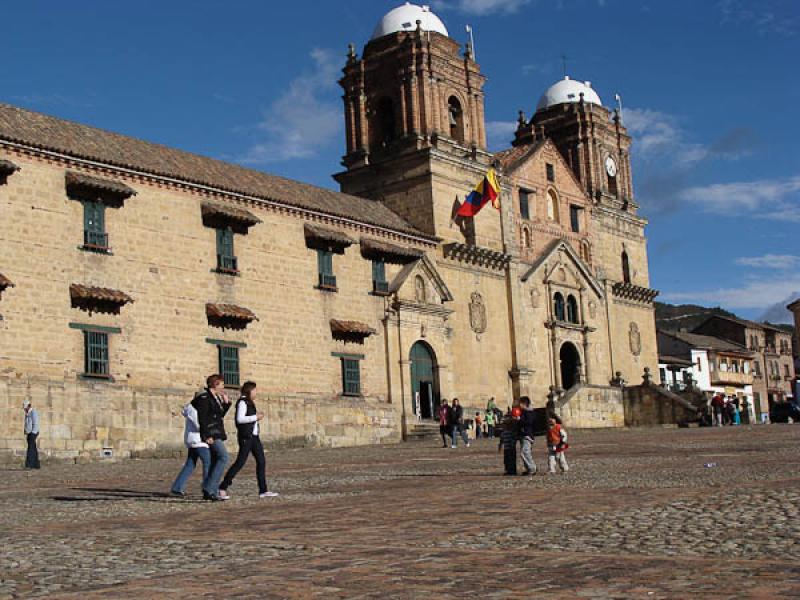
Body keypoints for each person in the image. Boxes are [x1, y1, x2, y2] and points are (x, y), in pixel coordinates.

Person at [219, 381, 278, 498]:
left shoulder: (250, 402)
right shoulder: (242, 402)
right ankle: (222, 487)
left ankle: (263, 490)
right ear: (249, 390)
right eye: (255, 390)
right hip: (246, 437)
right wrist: (255, 417)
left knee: (261, 461)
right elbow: (240, 419)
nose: (256, 392)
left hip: (254, 437)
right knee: (240, 463)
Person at [192, 374, 232, 501]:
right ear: (215, 384)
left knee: (215, 460)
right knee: (223, 456)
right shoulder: (205, 397)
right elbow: (202, 418)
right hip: (211, 433)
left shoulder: (216, 397)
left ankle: (210, 491)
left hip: (217, 431)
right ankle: (209, 488)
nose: (223, 387)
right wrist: (206, 435)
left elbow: (218, 415)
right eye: (221, 384)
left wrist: (226, 404)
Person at [170, 398, 210, 497]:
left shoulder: (193, 410)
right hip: (198, 441)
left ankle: (177, 487)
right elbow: (199, 425)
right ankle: (208, 488)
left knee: (190, 464)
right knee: (208, 462)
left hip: (194, 440)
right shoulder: (194, 410)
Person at [518, 396, 537, 476]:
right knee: (525, 451)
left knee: (524, 452)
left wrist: (520, 420)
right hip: (523, 435)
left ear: (524, 404)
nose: (519, 405)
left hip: (528, 435)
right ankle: (528, 468)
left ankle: (532, 468)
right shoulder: (523, 412)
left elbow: (529, 422)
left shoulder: (529, 412)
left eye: (520, 404)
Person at [23, 400, 40, 469]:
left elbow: (35, 423)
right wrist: (25, 431)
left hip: (33, 433)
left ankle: (29, 465)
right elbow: (27, 423)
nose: (24, 408)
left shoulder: (33, 412)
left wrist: (33, 432)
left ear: (29, 406)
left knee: (30, 449)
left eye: (25, 407)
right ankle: (36, 465)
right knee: (33, 448)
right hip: (29, 433)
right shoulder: (27, 413)